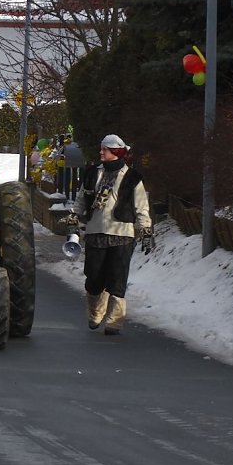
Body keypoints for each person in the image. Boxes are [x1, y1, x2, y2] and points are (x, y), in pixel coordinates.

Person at [66, 134, 153, 335]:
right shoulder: (91, 174)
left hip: (122, 234)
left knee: (118, 279)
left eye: (104, 149)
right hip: (96, 232)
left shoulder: (132, 177)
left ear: (115, 152)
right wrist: (73, 217)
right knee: (94, 279)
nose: (101, 152)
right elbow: (80, 200)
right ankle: (96, 311)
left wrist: (146, 231)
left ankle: (115, 320)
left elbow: (141, 207)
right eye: (101, 148)